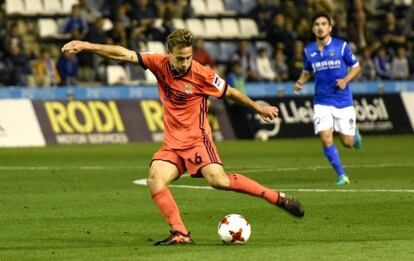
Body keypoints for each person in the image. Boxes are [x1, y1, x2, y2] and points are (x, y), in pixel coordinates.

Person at [62, 29, 304, 245]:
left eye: (189, 57)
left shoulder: (202, 74)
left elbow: (230, 92)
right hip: (173, 145)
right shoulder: (158, 64)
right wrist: (87, 45)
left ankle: (274, 197)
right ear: (169, 54)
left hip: (198, 140)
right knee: (155, 179)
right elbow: (123, 54)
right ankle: (180, 233)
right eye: (180, 58)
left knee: (218, 181)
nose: (185, 62)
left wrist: (257, 107)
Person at [294, 12, 362, 186]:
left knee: (347, 143)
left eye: (324, 23)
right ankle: (342, 175)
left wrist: (345, 80)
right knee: (325, 138)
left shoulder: (341, 46)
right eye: (317, 24)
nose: (320, 27)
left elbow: (356, 67)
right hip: (322, 101)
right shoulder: (309, 51)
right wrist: (300, 82)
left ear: (330, 27)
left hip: (343, 100)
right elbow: (307, 70)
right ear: (313, 28)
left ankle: (354, 134)